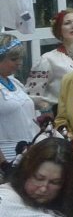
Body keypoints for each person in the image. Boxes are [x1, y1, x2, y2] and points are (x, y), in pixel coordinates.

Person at [25, 10, 73, 115]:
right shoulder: (48, 59)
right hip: (63, 118)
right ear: (59, 30)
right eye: (67, 23)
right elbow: (32, 95)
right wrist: (49, 109)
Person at [0, 34, 38, 165]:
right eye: (13, 59)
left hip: (30, 153)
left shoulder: (15, 82)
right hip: (7, 158)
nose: (19, 63)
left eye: (21, 58)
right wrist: (3, 164)